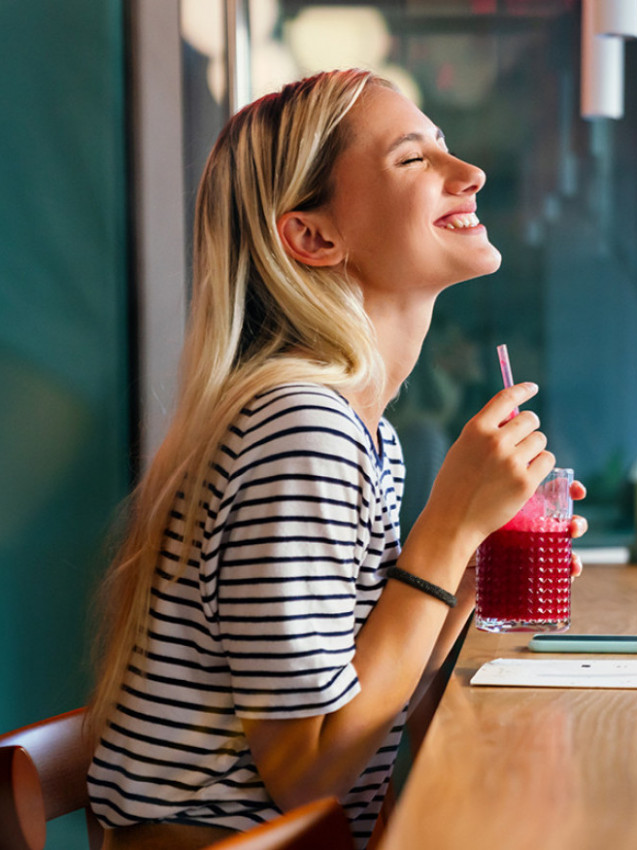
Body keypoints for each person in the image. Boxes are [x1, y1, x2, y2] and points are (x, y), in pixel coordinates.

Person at [85, 69, 587, 850]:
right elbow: (307, 774)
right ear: (313, 238)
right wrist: (446, 526)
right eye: (413, 159)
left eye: (444, 149)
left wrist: (467, 575)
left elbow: (364, 713)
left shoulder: (354, 428)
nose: (472, 174)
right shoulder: (299, 428)